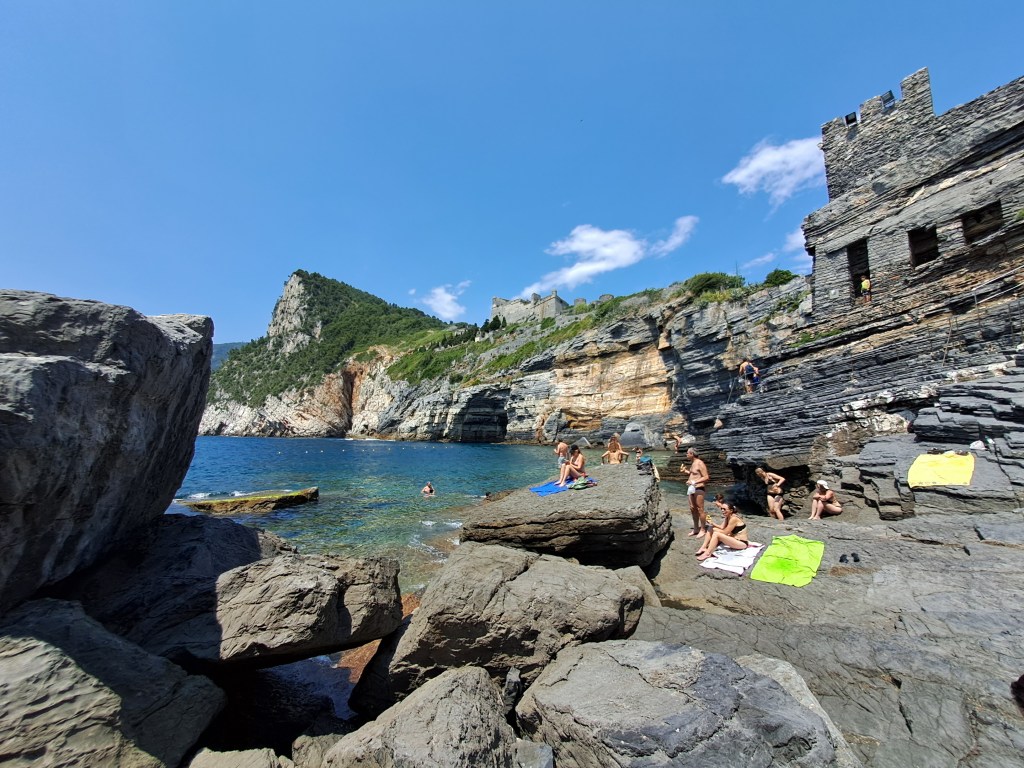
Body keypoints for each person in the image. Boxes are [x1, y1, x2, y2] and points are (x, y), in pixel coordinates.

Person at [684, 447, 709, 537]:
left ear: (692, 454)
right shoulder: (693, 463)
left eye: (687, 453)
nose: (686, 454)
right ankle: (696, 528)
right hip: (691, 488)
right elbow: (694, 474)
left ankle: (702, 529)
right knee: (692, 508)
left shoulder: (700, 463)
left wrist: (694, 482)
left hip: (698, 488)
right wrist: (686, 471)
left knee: (700, 509)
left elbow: (706, 477)